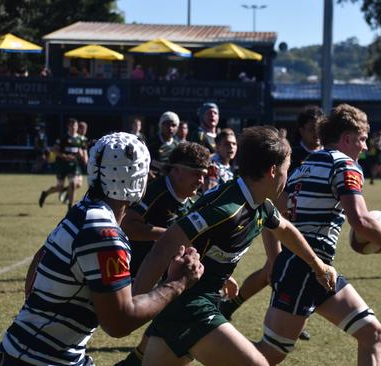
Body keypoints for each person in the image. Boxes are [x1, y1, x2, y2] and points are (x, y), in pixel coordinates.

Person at [0, 132, 204, 366]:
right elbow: (119, 322)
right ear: (137, 178)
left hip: (31, 354)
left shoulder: (84, 210)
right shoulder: (104, 233)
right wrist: (178, 283)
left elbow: (35, 270)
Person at [134, 126, 338, 366]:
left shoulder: (258, 202)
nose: (288, 175)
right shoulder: (228, 210)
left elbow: (284, 229)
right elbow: (167, 243)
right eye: (287, 168)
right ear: (273, 171)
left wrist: (318, 266)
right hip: (189, 305)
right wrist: (134, 304)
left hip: (197, 301)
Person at [255, 104, 381, 366]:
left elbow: (273, 214)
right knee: (267, 355)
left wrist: (274, 259)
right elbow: (361, 221)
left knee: (371, 332)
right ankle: (201, 344)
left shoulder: (306, 166)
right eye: (362, 139)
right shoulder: (346, 166)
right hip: (304, 269)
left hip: (317, 269)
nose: (365, 148)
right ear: (347, 138)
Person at [218, 105, 324, 340]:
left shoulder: (324, 156)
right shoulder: (288, 154)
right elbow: (275, 193)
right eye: (311, 129)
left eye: (320, 129)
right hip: (276, 217)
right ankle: (286, 319)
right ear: (301, 130)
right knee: (276, 269)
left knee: (272, 271)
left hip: (304, 226)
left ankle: (231, 306)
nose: (316, 134)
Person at [116, 142, 211, 366]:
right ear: (176, 170)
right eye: (196, 173)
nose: (201, 180)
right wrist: (171, 234)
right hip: (134, 274)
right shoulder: (155, 192)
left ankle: (133, 362)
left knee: (173, 318)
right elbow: (128, 225)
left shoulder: (192, 200)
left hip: (164, 276)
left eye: (204, 174)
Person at [38, 118, 86, 209]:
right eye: (71, 126)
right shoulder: (63, 138)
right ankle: (45, 193)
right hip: (62, 165)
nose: (73, 127)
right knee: (59, 187)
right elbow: (54, 150)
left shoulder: (80, 139)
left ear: (77, 127)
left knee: (74, 184)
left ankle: (70, 207)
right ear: (68, 127)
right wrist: (64, 156)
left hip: (74, 166)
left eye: (75, 126)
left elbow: (83, 153)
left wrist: (83, 157)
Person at [148, 111, 180, 178]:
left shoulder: (178, 146)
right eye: (167, 124)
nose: (170, 128)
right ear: (161, 125)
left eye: (173, 125)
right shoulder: (150, 143)